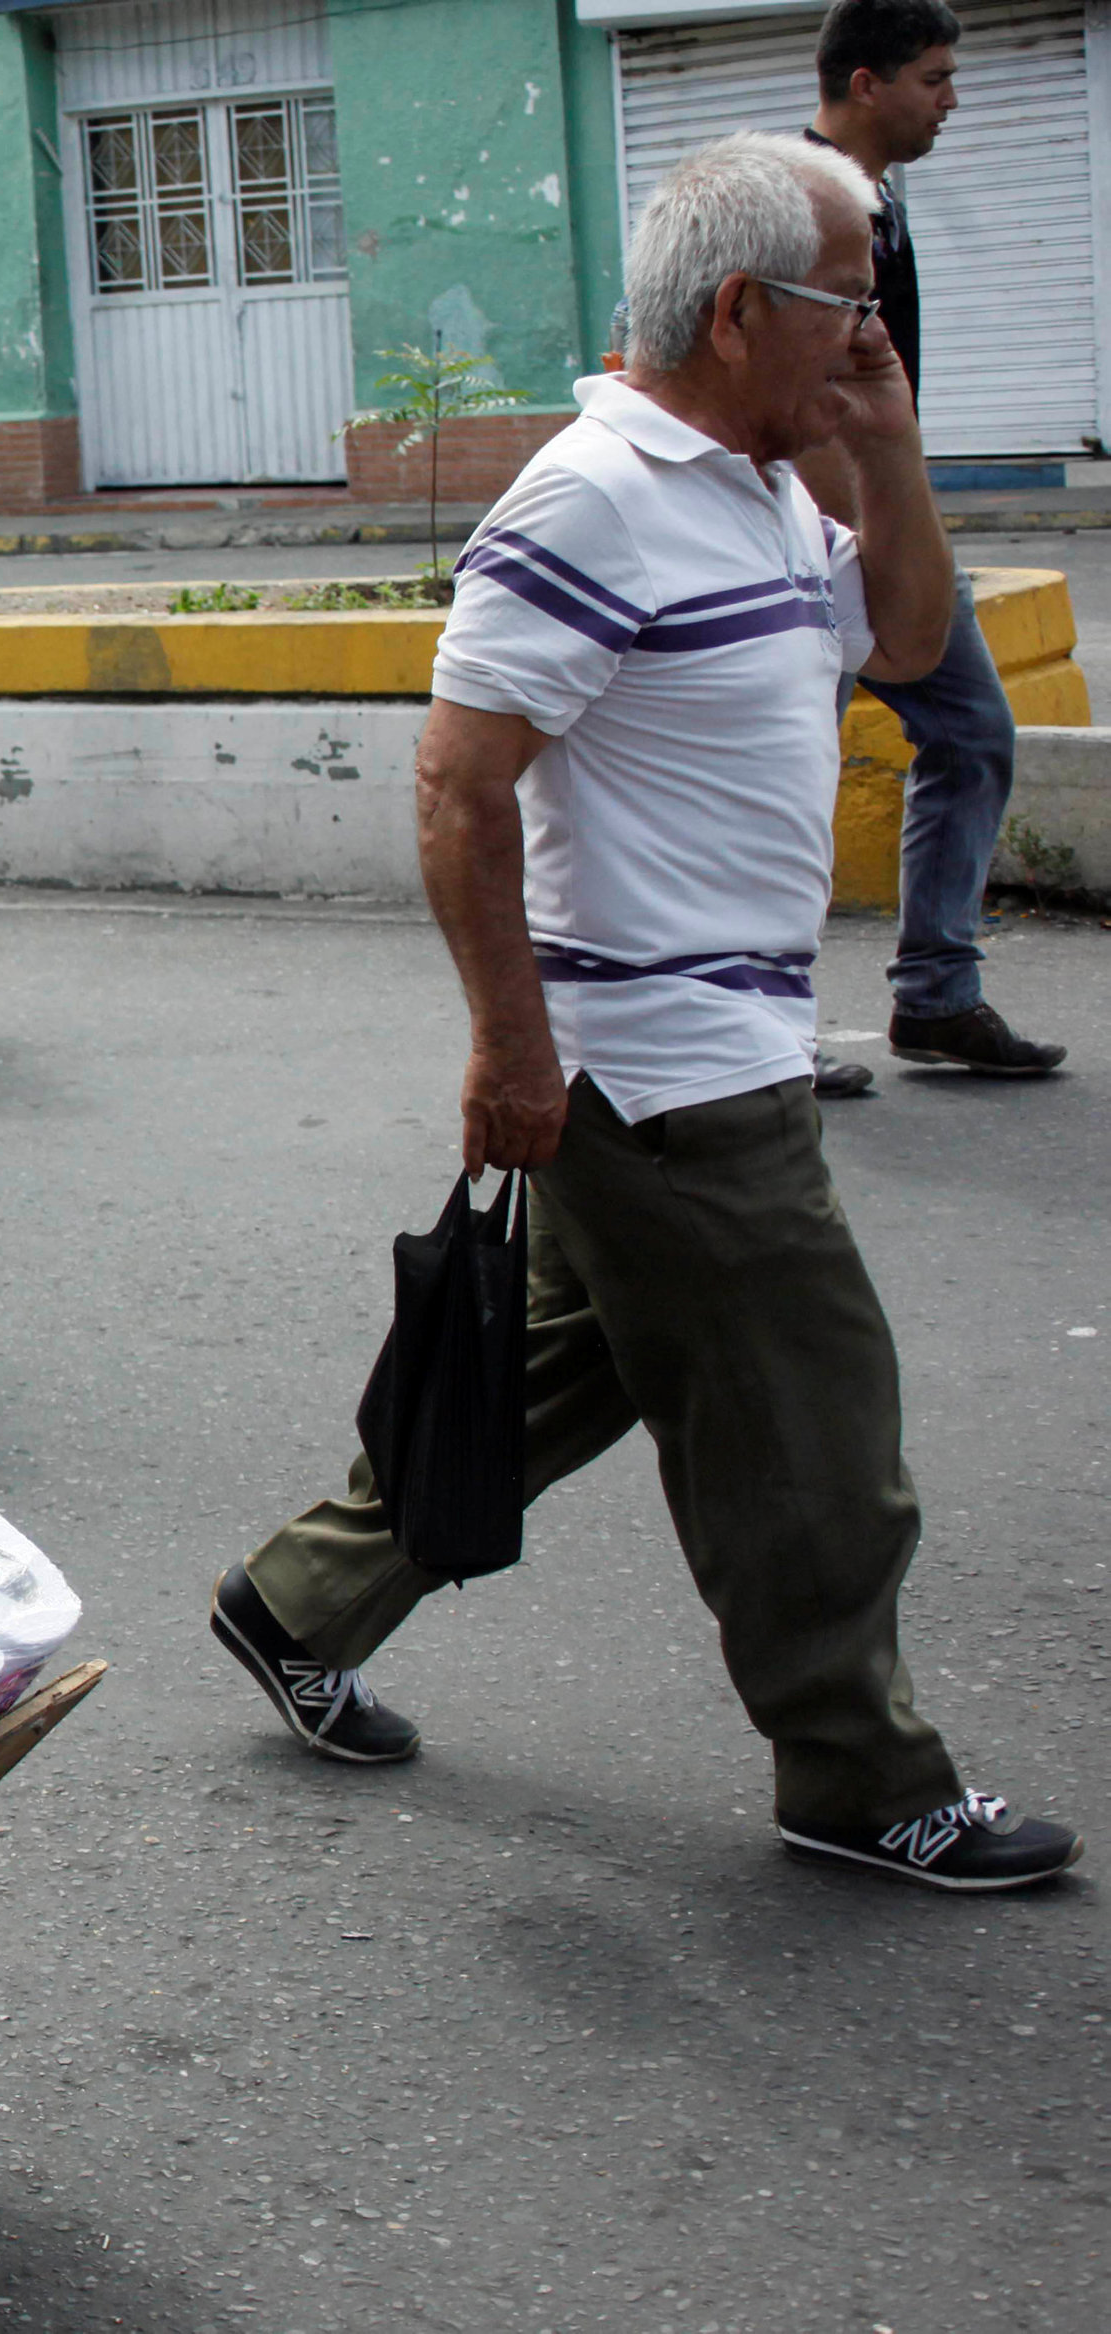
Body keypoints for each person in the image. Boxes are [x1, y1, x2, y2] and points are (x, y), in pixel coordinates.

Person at [207, 133, 1078, 1893]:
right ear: (744, 306)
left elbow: (910, 645)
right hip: (662, 1065)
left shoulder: (769, 477)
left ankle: (295, 1597)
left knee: (556, 1372)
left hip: (714, 1040)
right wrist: (510, 1048)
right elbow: (461, 784)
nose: (872, 333)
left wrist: (886, 441)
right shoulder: (594, 496)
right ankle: (860, 1769)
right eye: (853, 302)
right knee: (817, 1425)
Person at [796, 0, 1061, 1089]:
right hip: (809, 539)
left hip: (881, 522)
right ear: (867, 83)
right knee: (787, 774)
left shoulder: (871, 199)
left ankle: (936, 995)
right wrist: (836, 530)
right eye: (933, 79)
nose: (950, 102)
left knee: (970, 732)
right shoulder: (793, 200)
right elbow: (768, 381)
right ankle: (760, 1020)